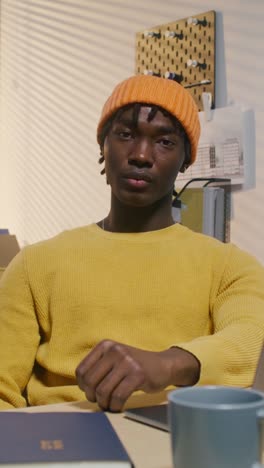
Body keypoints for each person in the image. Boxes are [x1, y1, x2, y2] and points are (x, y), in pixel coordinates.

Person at [0, 75, 264, 413]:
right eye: (125, 135)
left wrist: (169, 364)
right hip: (66, 442)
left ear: (186, 161)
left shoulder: (228, 266)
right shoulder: (34, 265)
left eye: (165, 142)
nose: (141, 154)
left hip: (179, 435)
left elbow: (252, 338)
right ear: (103, 148)